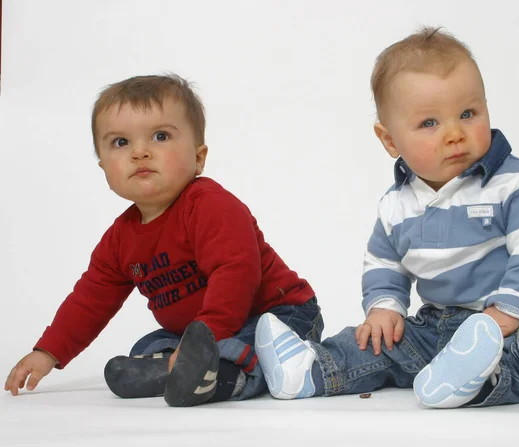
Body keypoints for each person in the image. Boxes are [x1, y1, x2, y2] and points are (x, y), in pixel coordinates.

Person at [254, 27, 519, 408]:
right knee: (382, 340)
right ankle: (312, 369)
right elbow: (384, 263)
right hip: (441, 325)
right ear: (390, 141)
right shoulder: (396, 205)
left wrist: (504, 316)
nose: (454, 134)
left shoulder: (513, 182)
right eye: (430, 123)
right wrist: (384, 309)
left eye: (468, 114)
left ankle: (482, 379)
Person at [4, 74, 323, 407]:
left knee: (242, 345)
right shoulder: (119, 240)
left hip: (278, 315)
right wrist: (48, 351)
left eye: (160, 137)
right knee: (149, 346)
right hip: (199, 331)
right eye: (121, 142)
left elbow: (236, 273)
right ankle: (180, 368)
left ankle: (226, 378)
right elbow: (90, 300)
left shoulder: (210, 206)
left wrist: (208, 337)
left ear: (199, 157)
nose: (140, 153)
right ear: (103, 167)